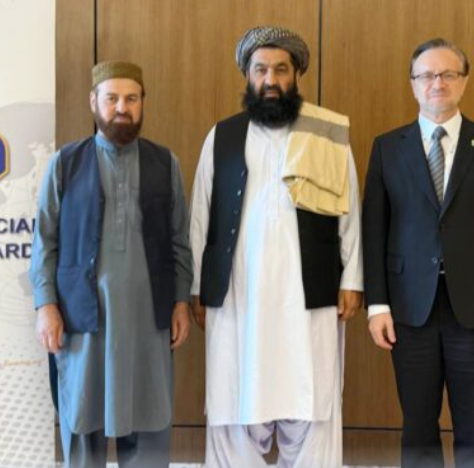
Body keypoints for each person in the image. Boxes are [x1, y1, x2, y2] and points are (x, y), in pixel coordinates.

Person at [189, 25, 363, 468]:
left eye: (281, 70)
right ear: (247, 76)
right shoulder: (221, 136)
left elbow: (350, 211)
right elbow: (200, 215)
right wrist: (196, 288)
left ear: (296, 75)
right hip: (238, 294)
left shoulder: (326, 134)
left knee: (312, 399)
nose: (270, 79)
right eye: (261, 69)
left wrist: (352, 279)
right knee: (234, 396)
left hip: (310, 294)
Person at [362, 38, 474, 468]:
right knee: (417, 425)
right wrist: (377, 305)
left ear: (464, 81)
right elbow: (374, 231)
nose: (437, 83)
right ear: (413, 84)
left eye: (448, 74)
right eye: (427, 75)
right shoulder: (387, 147)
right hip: (409, 308)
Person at [29, 61, 192, 468]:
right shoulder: (65, 164)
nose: (122, 107)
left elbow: (179, 240)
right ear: (94, 102)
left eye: (131, 99)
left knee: (149, 428)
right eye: (112, 98)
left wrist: (180, 302)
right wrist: (46, 305)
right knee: (84, 427)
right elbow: (45, 241)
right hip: (83, 322)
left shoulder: (165, 164)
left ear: (142, 103)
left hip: (147, 324)